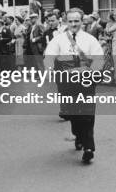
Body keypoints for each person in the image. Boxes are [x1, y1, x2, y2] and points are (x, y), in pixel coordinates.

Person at [44, 8, 104, 164]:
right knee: (73, 113)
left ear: (82, 21)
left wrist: (91, 71)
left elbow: (99, 59)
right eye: (70, 21)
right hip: (66, 82)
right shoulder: (58, 40)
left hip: (86, 81)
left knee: (87, 113)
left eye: (76, 21)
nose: (73, 24)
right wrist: (50, 69)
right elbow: (49, 56)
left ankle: (89, 147)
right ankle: (78, 134)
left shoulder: (90, 40)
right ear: (65, 22)